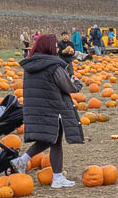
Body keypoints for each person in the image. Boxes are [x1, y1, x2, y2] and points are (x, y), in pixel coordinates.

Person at [12, 34, 83, 187]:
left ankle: (22, 161)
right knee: (55, 141)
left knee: (50, 139)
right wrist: (77, 83)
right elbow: (67, 86)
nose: (57, 48)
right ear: (48, 47)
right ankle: (57, 178)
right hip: (53, 107)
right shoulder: (54, 66)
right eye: (55, 46)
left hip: (37, 108)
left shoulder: (30, 65)